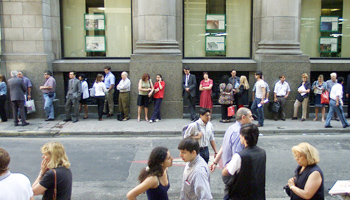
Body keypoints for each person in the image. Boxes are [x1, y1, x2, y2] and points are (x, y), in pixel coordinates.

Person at [210, 108, 254, 199]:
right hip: (233, 172)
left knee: (229, 193)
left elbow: (223, 146)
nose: (252, 118)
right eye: (250, 116)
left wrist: (215, 162)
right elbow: (237, 156)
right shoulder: (239, 133)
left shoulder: (231, 128)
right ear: (243, 117)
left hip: (228, 169)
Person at [222, 123, 266, 200]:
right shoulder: (262, 153)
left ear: (245, 138)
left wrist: (228, 165)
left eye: (241, 135)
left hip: (240, 195)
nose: (239, 137)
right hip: (257, 194)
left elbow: (226, 173)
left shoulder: (239, 156)